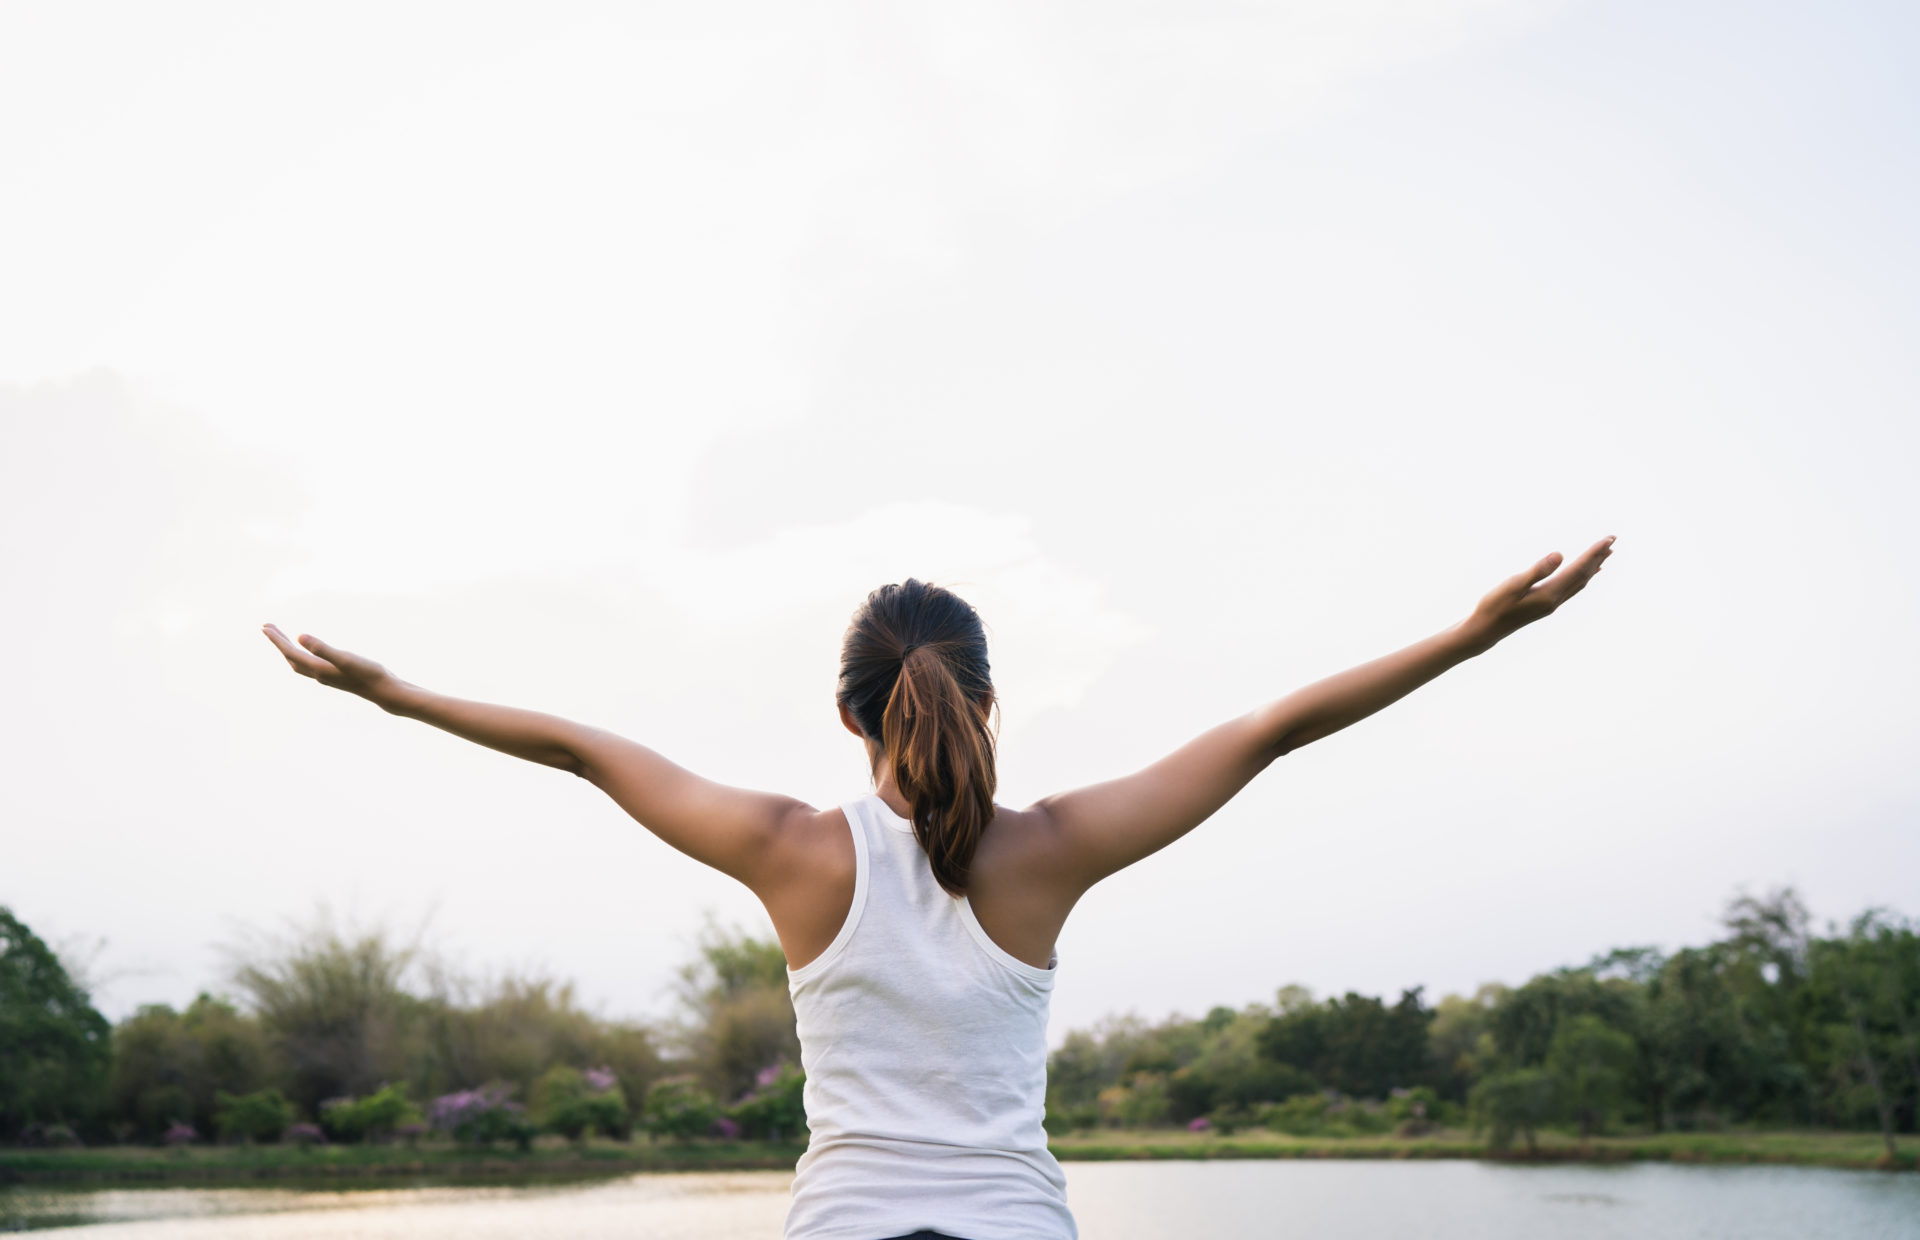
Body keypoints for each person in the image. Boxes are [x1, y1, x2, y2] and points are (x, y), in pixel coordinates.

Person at [262, 535, 1614, 1239]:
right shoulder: (1052, 848)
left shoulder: (790, 849)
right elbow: (1267, 732)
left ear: (852, 716)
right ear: (987, 701)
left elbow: (578, 748)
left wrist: (394, 695)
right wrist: (1474, 636)